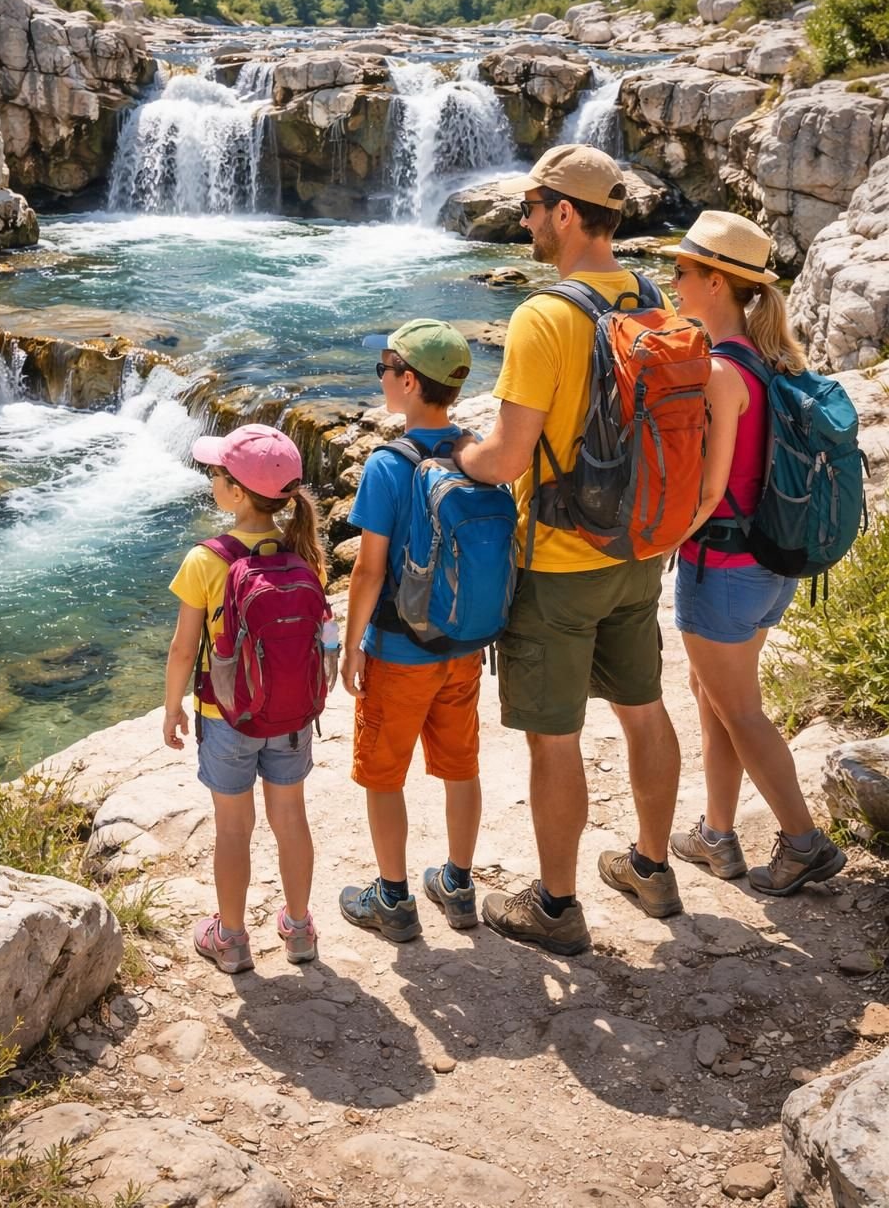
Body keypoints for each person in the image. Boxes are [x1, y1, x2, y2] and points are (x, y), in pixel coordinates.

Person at [453, 143, 684, 957]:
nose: (521, 220)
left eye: (530, 207)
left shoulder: (545, 316)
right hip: (642, 544)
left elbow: (507, 458)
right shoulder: (659, 300)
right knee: (644, 707)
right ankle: (652, 869)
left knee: (554, 738)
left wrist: (452, 459)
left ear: (563, 213)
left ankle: (555, 906)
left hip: (557, 558)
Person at [667, 210, 847, 894]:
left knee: (740, 709)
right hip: (772, 563)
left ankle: (804, 844)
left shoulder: (718, 371)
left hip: (723, 569)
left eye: (682, 272)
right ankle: (717, 834)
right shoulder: (773, 359)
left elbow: (710, 492)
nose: (674, 281)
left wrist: (652, 541)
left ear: (715, 282)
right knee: (713, 694)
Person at [339, 318, 484, 942]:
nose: (381, 379)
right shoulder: (477, 451)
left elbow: (369, 570)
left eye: (384, 370)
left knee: (383, 773)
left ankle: (392, 898)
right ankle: (457, 883)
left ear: (408, 382)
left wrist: (350, 648)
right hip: (464, 645)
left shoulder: (388, 465)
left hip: (399, 649)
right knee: (460, 766)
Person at [163, 423, 326, 973]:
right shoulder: (301, 551)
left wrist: (172, 707)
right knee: (291, 820)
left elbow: (185, 650)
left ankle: (231, 939)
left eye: (216, 475)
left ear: (235, 493)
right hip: (290, 715)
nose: (211, 481)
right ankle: (300, 930)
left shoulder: (205, 560)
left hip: (227, 717)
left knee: (234, 829)